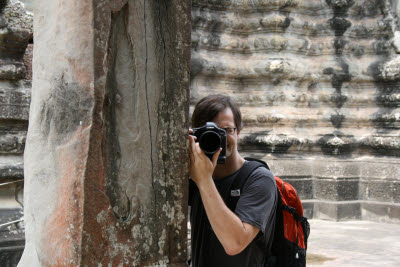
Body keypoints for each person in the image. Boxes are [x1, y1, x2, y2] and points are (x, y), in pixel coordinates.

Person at [188, 94, 278, 267]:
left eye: (226, 130)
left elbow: (235, 243)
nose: (218, 138)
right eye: (208, 133)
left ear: (238, 132)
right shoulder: (193, 174)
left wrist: (204, 179)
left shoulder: (259, 179)